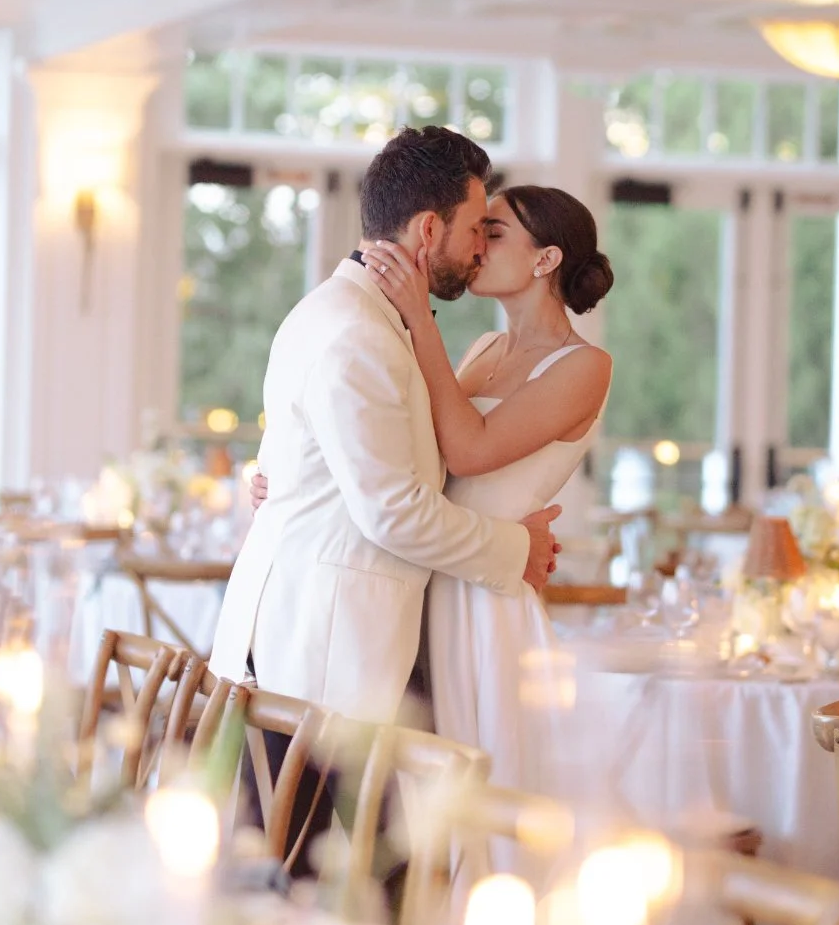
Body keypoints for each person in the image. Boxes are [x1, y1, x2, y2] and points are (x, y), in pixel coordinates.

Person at [209, 126, 561, 726]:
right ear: (429, 229)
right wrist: (516, 549)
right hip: (325, 661)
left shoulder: (348, 313)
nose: (481, 247)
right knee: (318, 823)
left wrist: (278, 485)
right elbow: (392, 511)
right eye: (477, 227)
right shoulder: (359, 334)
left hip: (317, 646)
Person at [360, 184, 613, 790]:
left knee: (480, 794)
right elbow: (417, 443)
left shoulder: (585, 365)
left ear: (545, 259)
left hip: (486, 604)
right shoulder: (486, 347)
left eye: (493, 233)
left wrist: (419, 316)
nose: (476, 246)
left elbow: (470, 451)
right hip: (434, 568)